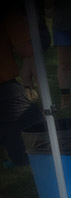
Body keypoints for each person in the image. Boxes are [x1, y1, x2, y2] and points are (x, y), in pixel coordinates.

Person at [1, 3, 43, 167]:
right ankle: (18, 157)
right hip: (4, 86)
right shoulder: (8, 11)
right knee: (36, 126)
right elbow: (26, 49)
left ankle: (10, 158)